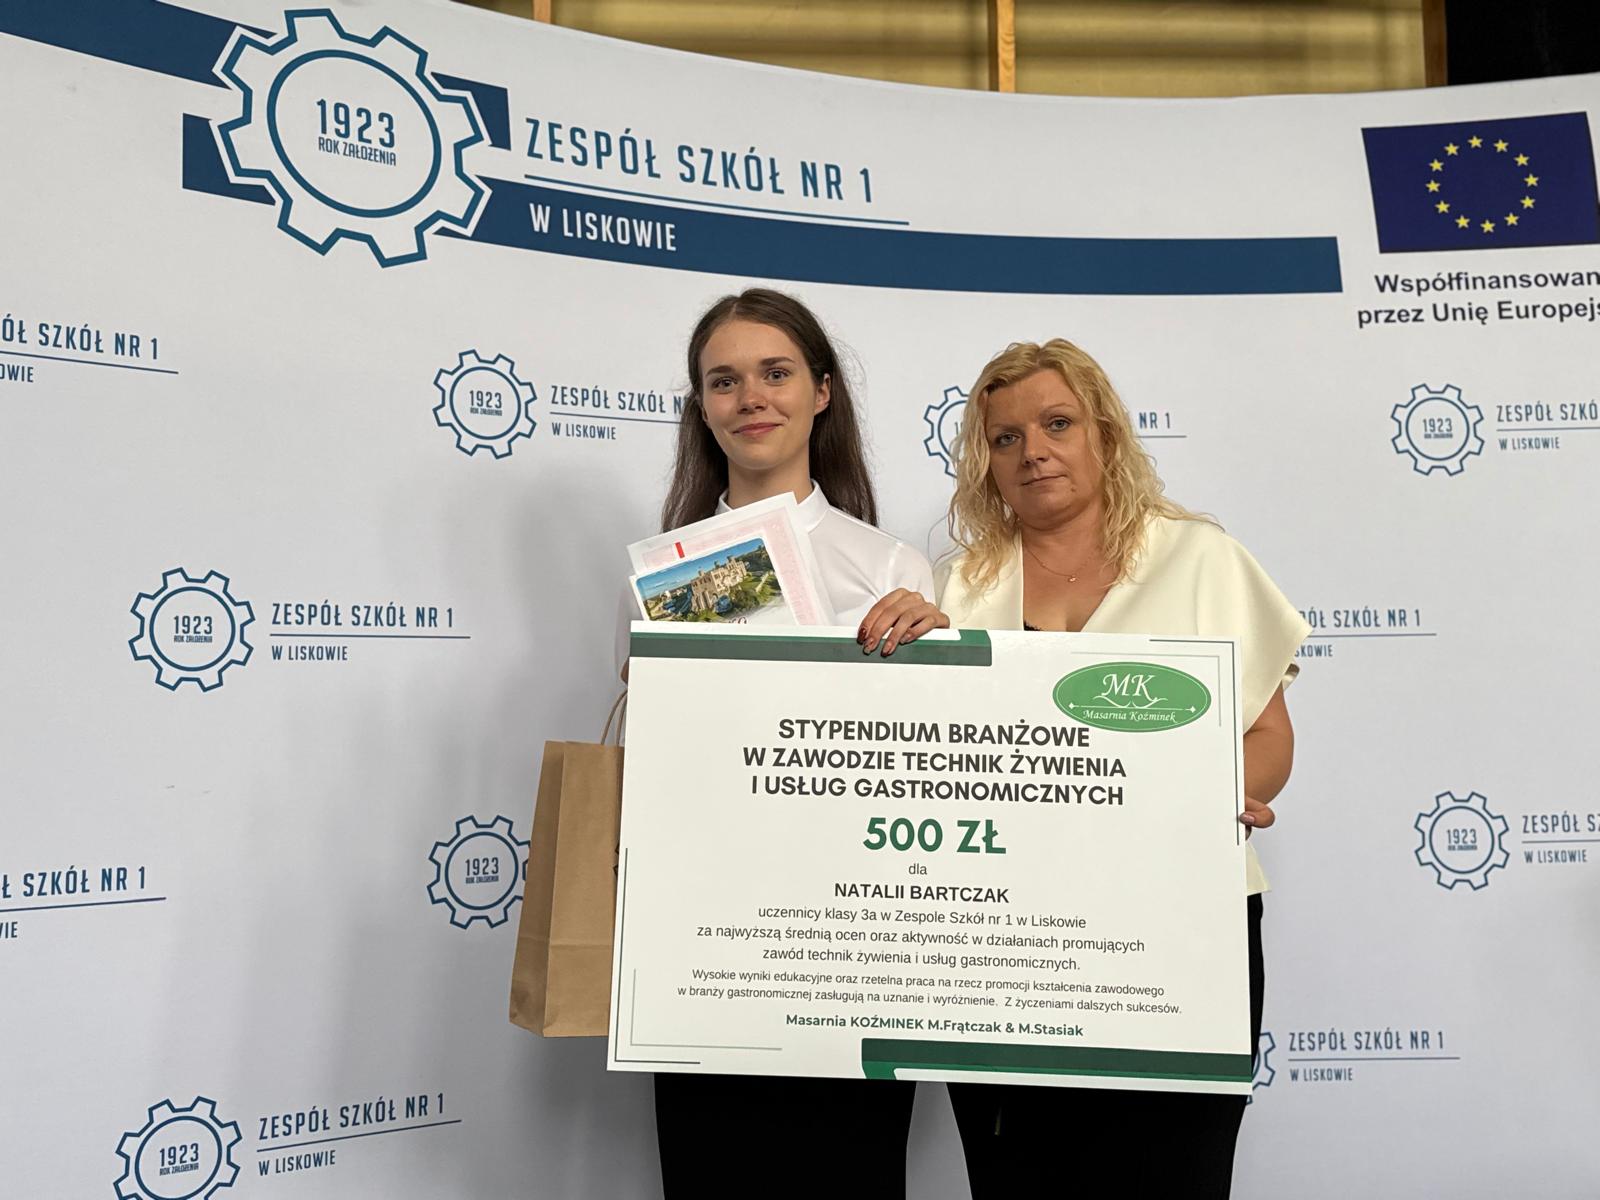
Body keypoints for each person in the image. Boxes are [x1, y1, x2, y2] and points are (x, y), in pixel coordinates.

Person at [860, 338, 1308, 1198]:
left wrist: (1217, 797)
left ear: (1104, 431)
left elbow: (1269, 736)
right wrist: (904, 645)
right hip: (1002, 941)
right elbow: (917, 759)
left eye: (1057, 424)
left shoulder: (1201, 558)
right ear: (985, 463)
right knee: (1017, 1176)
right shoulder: (957, 586)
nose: (1033, 451)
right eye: (1006, 438)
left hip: (1179, 929)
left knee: (1171, 1172)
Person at [625, 287, 934, 1198]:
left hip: (855, 941)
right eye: (724, 381)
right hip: (706, 941)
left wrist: (946, 657)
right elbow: (661, 761)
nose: (751, 397)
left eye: (775, 373)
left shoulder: (889, 566)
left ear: (822, 392)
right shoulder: (669, 567)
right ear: (701, 407)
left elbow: (921, 764)